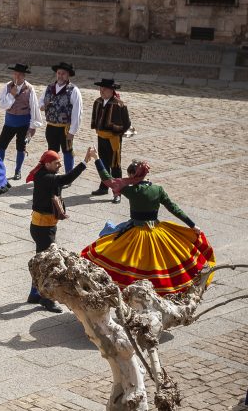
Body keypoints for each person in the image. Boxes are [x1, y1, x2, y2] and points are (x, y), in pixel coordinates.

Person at [82, 156, 214, 296]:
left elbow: (107, 179)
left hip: (135, 232)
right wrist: (192, 225)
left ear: (132, 175)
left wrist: (97, 158)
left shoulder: (132, 191)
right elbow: (174, 209)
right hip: (157, 230)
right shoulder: (158, 189)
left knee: (124, 258)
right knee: (163, 261)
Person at [26, 147, 95, 312]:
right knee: (49, 264)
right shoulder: (45, 177)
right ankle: (47, 299)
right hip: (43, 228)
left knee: (41, 262)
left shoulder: (45, 174)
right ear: (47, 164)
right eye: (56, 163)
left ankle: (34, 293)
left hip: (43, 226)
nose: (60, 165)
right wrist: (85, 161)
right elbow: (66, 179)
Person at [0, 63, 43, 181]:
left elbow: (34, 108)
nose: (16, 77)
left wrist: (32, 127)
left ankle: (18, 171)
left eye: (19, 75)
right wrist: (11, 95)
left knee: (21, 148)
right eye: (15, 74)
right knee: (1, 146)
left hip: (23, 124)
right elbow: (2, 105)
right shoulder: (7, 86)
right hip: (9, 123)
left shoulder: (30, 89)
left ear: (24, 76)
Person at [88, 78, 131, 203]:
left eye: (105, 89)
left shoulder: (119, 104)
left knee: (115, 165)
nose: (101, 91)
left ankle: (117, 192)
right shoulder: (98, 102)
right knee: (103, 163)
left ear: (112, 90)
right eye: (101, 88)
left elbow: (127, 123)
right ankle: (104, 187)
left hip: (114, 139)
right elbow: (95, 118)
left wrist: (116, 133)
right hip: (101, 137)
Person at [40, 61, 82, 173]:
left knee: (67, 151)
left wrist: (72, 132)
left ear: (68, 75)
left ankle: (68, 175)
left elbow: (77, 112)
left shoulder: (73, 90)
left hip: (65, 128)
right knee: (52, 151)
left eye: (63, 73)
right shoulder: (49, 88)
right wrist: (43, 106)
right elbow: (41, 101)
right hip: (51, 126)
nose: (60, 76)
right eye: (59, 73)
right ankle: (53, 174)